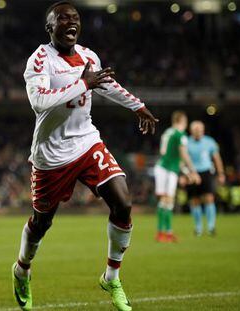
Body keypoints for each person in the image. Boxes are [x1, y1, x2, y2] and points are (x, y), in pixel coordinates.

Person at [11, 2, 158, 311]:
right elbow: (39, 101)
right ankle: (22, 268)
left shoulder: (89, 57)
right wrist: (82, 83)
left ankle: (111, 276)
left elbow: (106, 84)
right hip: (51, 155)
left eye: (75, 18)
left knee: (123, 202)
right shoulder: (39, 59)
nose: (70, 22)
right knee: (41, 222)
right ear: (50, 27)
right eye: (62, 18)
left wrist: (137, 106)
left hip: (87, 143)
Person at [154, 111, 199, 243]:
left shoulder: (168, 132)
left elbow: (164, 151)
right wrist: (193, 172)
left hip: (162, 166)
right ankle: (166, 233)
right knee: (168, 201)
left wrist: (184, 172)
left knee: (163, 201)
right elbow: (184, 154)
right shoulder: (180, 134)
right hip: (168, 170)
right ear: (182, 120)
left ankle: (162, 232)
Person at [187, 121, 225, 236]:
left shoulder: (210, 142)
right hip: (192, 173)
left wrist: (221, 173)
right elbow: (183, 159)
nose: (198, 131)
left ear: (203, 130)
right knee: (194, 201)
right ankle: (198, 228)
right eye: (195, 129)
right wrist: (184, 174)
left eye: (199, 129)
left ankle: (211, 227)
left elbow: (216, 158)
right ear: (191, 130)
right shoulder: (186, 142)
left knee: (209, 198)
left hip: (206, 172)